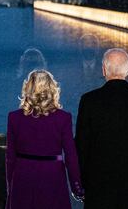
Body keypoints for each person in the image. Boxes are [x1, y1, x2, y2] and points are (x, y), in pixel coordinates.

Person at [75, 48, 128, 209]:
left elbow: (81, 146)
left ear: (104, 69)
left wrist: (82, 183)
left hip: (97, 183)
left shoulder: (89, 100)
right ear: (127, 70)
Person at [5, 69, 83, 209]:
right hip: (53, 177)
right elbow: (71, 157)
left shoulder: (14, 118)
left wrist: (11, 185)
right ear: (52, 90)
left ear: (28, 89)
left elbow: (10, 157)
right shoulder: (63, 118)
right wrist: (76, 187)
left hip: (23, 177)